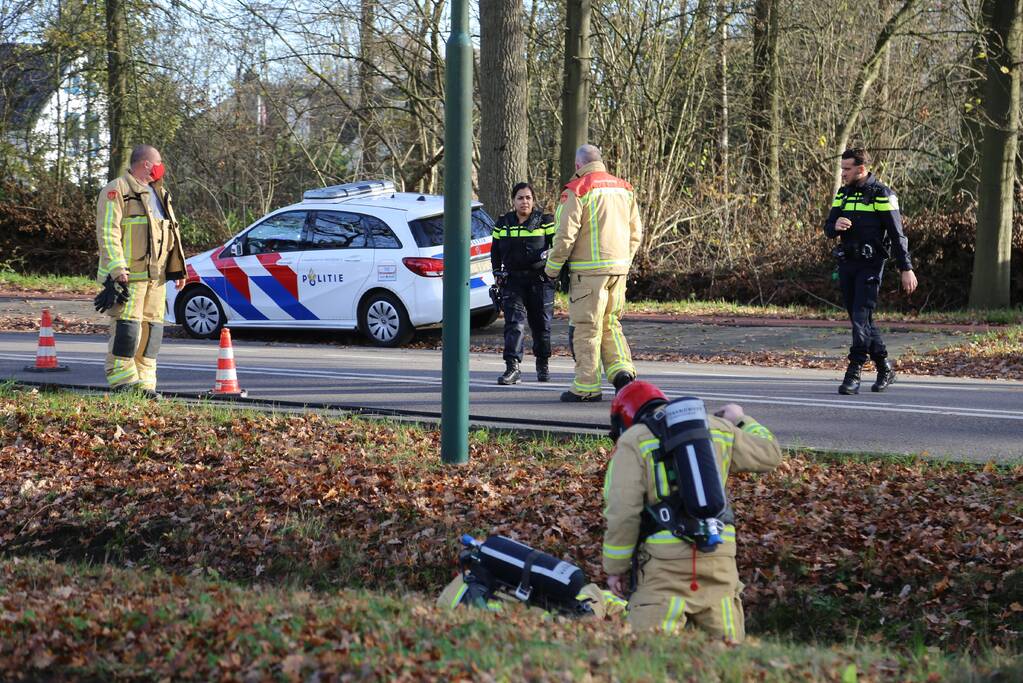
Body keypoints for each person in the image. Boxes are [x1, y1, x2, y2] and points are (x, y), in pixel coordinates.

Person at [602, 380, 782, 642]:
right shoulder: (717, 429)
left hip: (663, 571)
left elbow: (622, 511)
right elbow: (770, 454)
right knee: (726, 661)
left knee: (651, 657)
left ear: (624, 419)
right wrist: (741, 419)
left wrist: (615, 568)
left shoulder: (633, 441)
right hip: (718, 560)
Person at [544, 144, 642, 402]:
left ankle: (586, 387)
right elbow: (636, 234)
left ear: (578, 166)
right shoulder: (624, 188)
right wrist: (624, 262)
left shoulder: (578, 190)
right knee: (611, 323)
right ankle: (622, 373)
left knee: (586, 328)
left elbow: (565, 236)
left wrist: (552, 269)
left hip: (587, 275)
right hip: (618, 271)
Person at [825, 148, 918, 395]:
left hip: (871, 264)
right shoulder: (842, 194)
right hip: (847, 263)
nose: (842, 173)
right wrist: (835, 225)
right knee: (862, 319)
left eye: (847, 169)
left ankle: (854, 372)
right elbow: (828, 228)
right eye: (842, 168)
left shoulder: (882, 194)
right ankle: (884, 367)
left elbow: (898, 236)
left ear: (861, 169)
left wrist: (905, 268)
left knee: (860, 315)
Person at [95, 144, 186, 397]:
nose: (161, 166)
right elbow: (108, 232)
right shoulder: (117, 190)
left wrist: (179, 271)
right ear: (146, 164)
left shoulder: (160, 193)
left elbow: (172, 234)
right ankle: (123, 381)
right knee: (128, 328)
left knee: (152, 331)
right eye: (158, 161)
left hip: (156, 279)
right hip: (129, 277)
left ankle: (144, 383)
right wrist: (116, 268)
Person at [490, 182, 557, 384]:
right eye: (520, 198)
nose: (524, 201)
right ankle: (512, 367)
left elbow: (557, 247)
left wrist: (553, 272)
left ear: (533, 200)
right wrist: (496, 272)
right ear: (513, 201)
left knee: (541, 326)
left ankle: (542, 364)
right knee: (514, 325)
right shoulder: (503, 222)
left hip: (540, 281)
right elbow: (495, 251)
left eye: (528, 197)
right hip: (513, 281)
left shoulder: (545, 221)